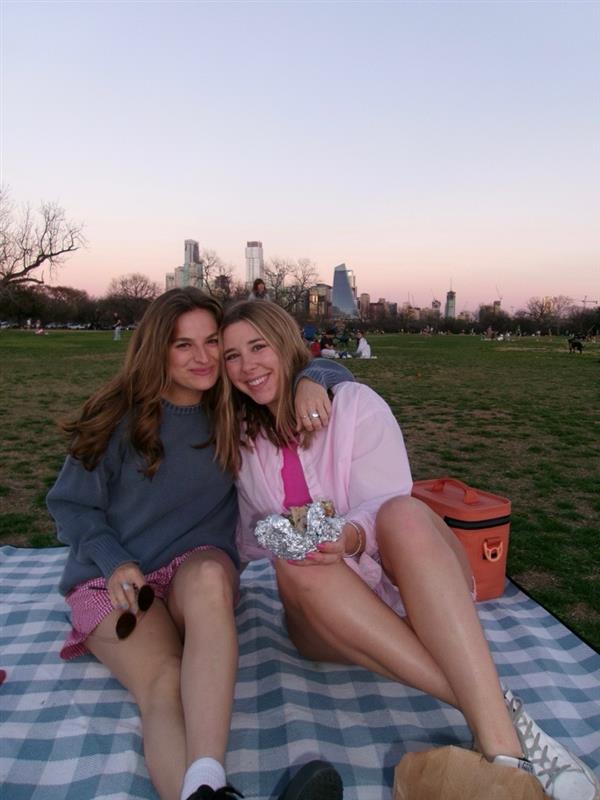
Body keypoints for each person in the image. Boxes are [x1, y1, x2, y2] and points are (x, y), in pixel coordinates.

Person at [216, 300, 600, 800]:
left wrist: (349, 538)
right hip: (329, 622)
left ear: (286, 344)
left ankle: (503, 753)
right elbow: (246, 541)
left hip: (414, 583)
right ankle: (496, 710)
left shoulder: (352, 405)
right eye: (231, 356)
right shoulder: (243, 447)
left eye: (258, 346)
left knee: (402, 512)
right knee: (295, 562)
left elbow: (387, 500)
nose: (248, 366)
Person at [47, 288, 347, 800]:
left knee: (209, 578)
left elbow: (335, 373)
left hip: (195, 567)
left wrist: (312, 380)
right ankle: (205, 791)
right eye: (183, 345)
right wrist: (113, 561)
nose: (204, 357)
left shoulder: (233, 407)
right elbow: (71, 505)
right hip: (116, 577)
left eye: (212, 342)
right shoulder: (118, 413)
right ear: (156, 350)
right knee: (163, 681)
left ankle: (206, 773)